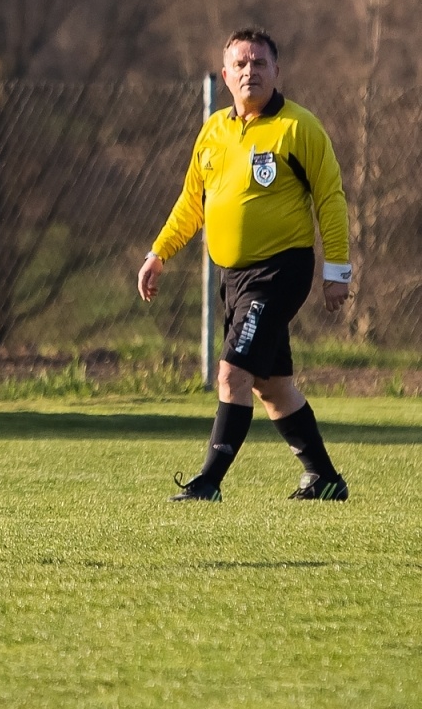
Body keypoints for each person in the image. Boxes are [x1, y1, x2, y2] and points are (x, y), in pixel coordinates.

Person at [139, 28, 352, 502]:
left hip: (280, 272)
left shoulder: (299, 128)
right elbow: (191, 203)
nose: (249, 71)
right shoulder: (214, 130)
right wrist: (159, 252)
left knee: (232, 373)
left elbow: (331, 199)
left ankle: (208, 482)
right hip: (233, 278)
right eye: (240, 64)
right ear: (225, 75)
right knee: (271, 386)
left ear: (277, 71)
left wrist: (337, 271)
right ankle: (324, 478)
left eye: (259, 63)